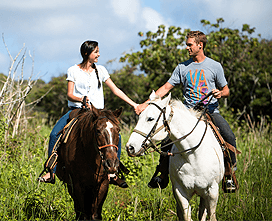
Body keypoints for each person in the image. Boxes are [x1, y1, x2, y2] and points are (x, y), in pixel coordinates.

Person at [135, 31, 237, 191]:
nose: (187, 47)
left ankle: (229, 175)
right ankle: (162, 174)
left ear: (200, 45)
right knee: (166, 140)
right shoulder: (182, 67)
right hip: (188, 113)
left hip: (210, 111)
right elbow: (166, 88)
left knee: (229, 136)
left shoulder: (215, 66)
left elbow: (226, 90)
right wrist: (145, 104)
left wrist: (220, 93)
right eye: (187, 44)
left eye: (190, 44)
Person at [38, 40, 138, 187]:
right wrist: (82, 99)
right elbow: (70, 95)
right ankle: (51, 171)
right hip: (77, 110)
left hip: (98, 113)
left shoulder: (101, 70)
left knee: (117, 136)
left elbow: (115, 90)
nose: (99, 54)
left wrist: (134, 104)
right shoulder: (73, 70)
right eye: (95, 52)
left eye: (98, 51)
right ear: (86, 53)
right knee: (54, 134)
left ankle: (114, 172)